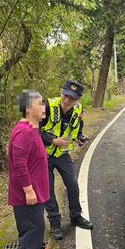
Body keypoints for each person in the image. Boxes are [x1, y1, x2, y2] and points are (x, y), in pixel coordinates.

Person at [8, 90, 54, 249]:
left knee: (36, 226)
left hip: (36, 190)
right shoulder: (24, 132)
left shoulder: (32, 128)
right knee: (32, 228)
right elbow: (19, 163)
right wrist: (28, 189)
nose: (44, 108)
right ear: (28, 108)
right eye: (39, 104)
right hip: (28, 193)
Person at [40, 80, 93, 240]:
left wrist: (80, 138)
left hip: (62, 154)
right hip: (43, 156)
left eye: (72, 98)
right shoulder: (47, 105)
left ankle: (76, 217)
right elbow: (33, 129)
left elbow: (77, 131)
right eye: (65, 95)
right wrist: (53, 140)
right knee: (48, 191)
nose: (67, 100)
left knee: (72, 185)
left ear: (78, 99)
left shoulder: (79, 110)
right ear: (61, 93)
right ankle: (55, 223)